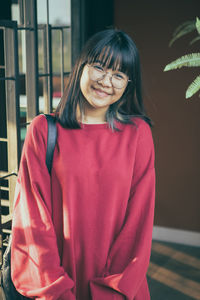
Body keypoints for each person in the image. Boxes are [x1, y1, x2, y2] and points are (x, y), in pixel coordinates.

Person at [11, 29, 155, 300]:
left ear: (128, 84)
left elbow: (139, 222)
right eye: (99, 67)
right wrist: (57, 290)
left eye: (119, 75)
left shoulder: (138, 134)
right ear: (81, 67)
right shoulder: (44, 130)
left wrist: (113, 291)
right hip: (57, 283)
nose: (106, 81)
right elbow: (33, 218)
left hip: (120, 289)